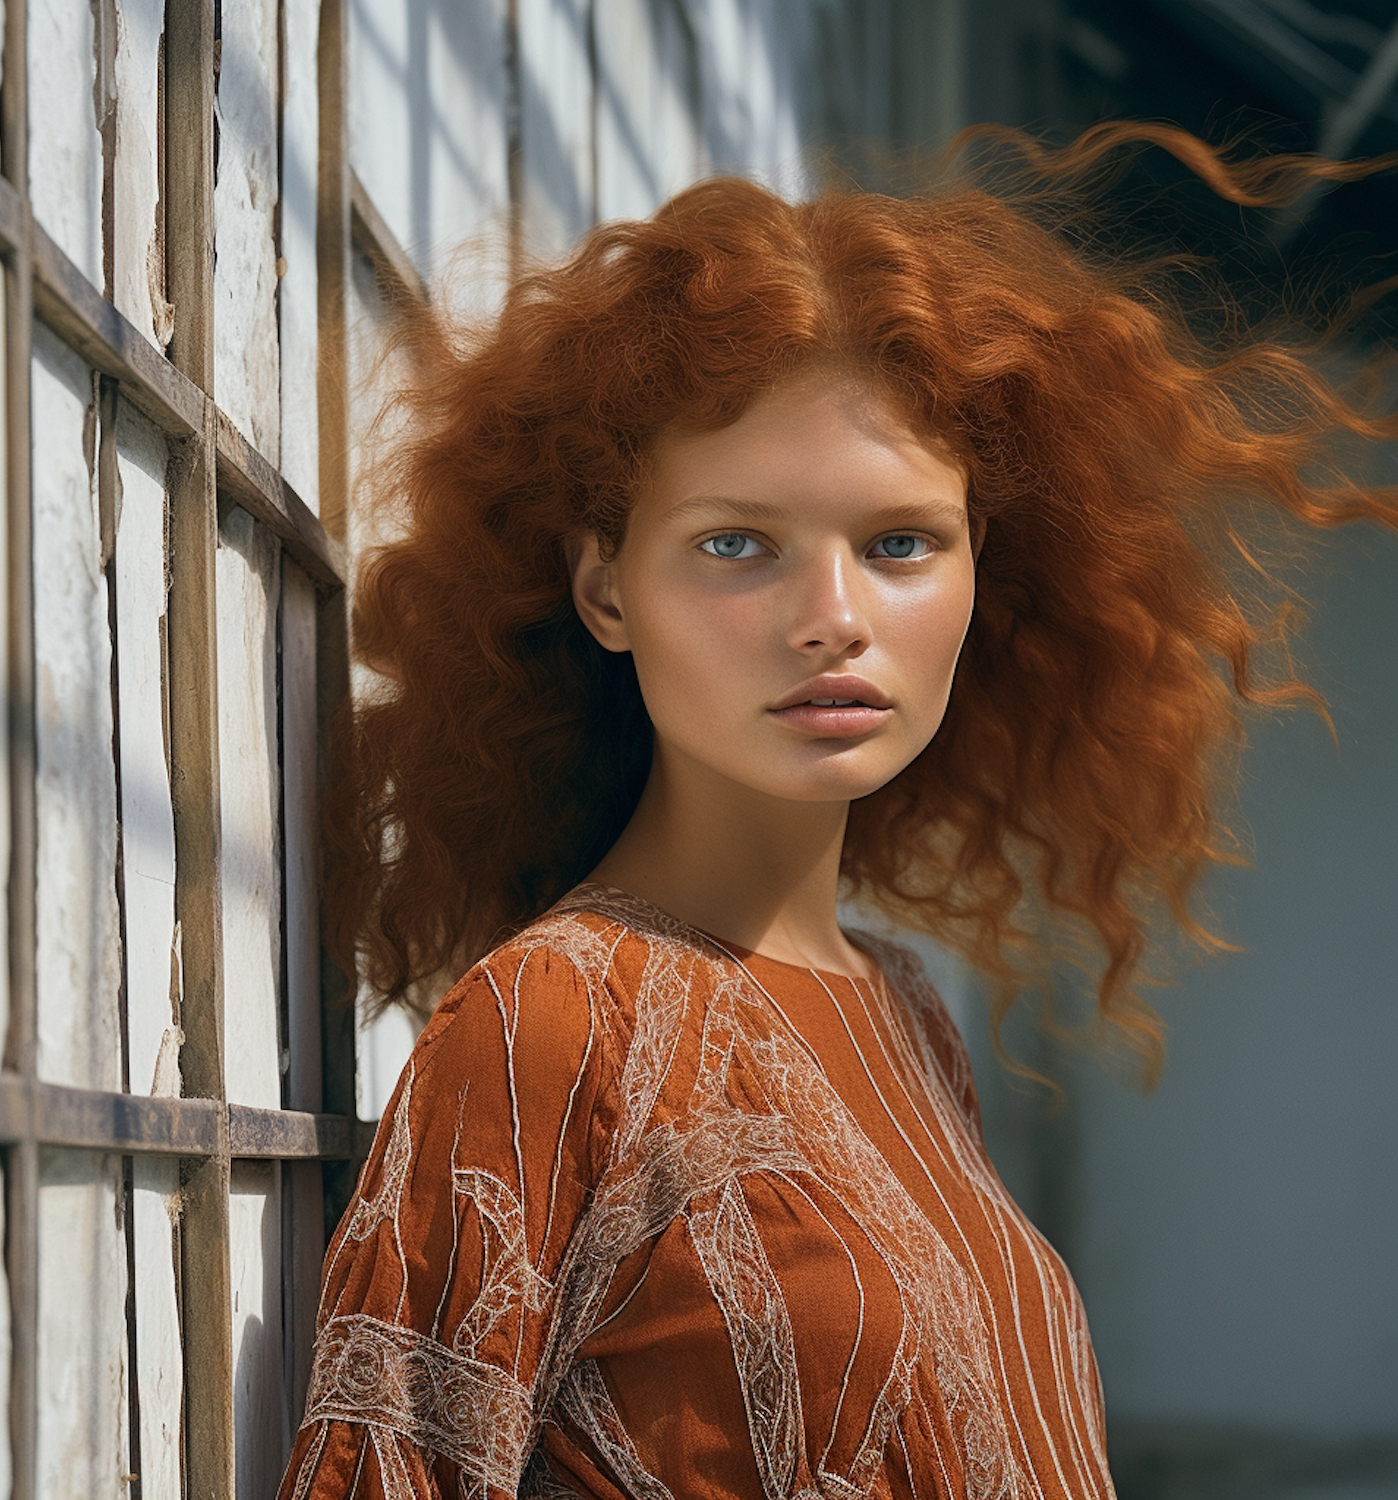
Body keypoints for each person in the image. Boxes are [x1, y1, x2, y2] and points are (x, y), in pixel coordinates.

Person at [278, 125, 1397, 1499]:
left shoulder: (908, 1011)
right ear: (604, 588)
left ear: (981, 569)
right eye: (737, 543)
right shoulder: (552, 1023)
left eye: (899, 543)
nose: (833, 620)